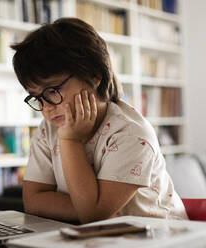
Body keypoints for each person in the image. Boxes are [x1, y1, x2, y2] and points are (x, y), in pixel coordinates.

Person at [10, 18, 188, 224]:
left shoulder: (131, 134)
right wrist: (92, 209)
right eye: (36, 97)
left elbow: (92, 216)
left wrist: (70, 141)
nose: (47, 107)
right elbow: (33, 201)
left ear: (94, 75)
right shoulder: (48, 129)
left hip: (162, 237)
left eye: (53, 90)